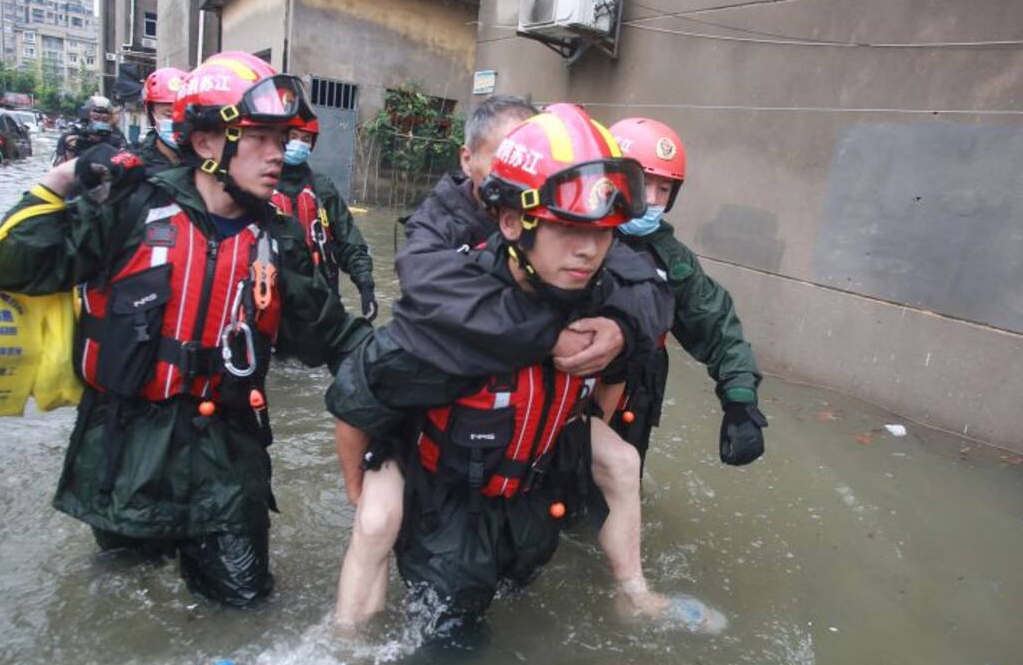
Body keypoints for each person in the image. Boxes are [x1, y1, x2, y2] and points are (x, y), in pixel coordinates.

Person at [0, 52, 370, 607]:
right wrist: (65, 177)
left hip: (227, 460)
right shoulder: (128, 206)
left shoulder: (278, 239)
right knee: (120, 606)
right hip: (122, 453)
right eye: (259, 136)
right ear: (208, 143)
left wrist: (420, 374)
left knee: (244, 609)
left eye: (281, 137)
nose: (277, 153)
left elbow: (331, 338)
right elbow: (13, 265)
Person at [327, 103, 652, 621]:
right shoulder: (445, 312)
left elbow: (653, 292)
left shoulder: (602, 298)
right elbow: (359, 392)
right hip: (450, 499)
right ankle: (347, 639)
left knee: (619, 464)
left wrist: (622, 331)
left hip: (526, 497)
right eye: (568, 229)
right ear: (510, 221)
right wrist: (359, 489)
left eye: (604, 232)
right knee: (443, 629)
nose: (590, 251)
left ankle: (633, 590)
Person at [607, 117, 766, 470]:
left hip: (638, 390)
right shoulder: (573, 236)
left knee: (621, 483)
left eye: (664, 189)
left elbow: (716, 323)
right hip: (573, 387)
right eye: (644, 183)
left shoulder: (673, 259)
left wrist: (740, 401)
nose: (652, 200)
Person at [273, 118, 377, 319]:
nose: (299, 144)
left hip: (319, 298)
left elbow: (349, 239)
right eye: (293, 137)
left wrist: (366, 286)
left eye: (305, 139)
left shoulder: (322, 188)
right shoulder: (260, 186)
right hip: (274, 298)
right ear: (281, 138)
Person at [132, 66, 189, 173]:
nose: (176, 121)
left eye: (183, 115)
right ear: (151, 114)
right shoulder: (137, 167)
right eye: (168, 115)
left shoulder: (207, 164)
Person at [53, 94, 126, 165]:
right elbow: (57, 170)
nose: (100, 122)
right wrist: (70, 150)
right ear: (86, 118)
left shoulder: (117, 138)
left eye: (105, 119)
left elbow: (126, 167)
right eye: (96, 119)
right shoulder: (70, 137)